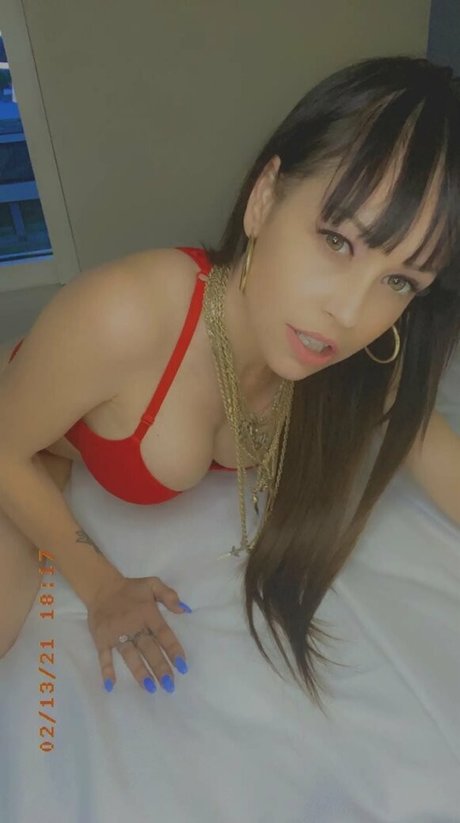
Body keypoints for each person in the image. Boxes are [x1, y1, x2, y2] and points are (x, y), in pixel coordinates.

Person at [0, 55, 459, 715]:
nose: (351, 312)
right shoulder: (125, 313)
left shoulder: (357, 354)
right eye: (337, 241)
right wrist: (100, 586)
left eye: (400, 281)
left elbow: (441, 457)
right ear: (265, 197)